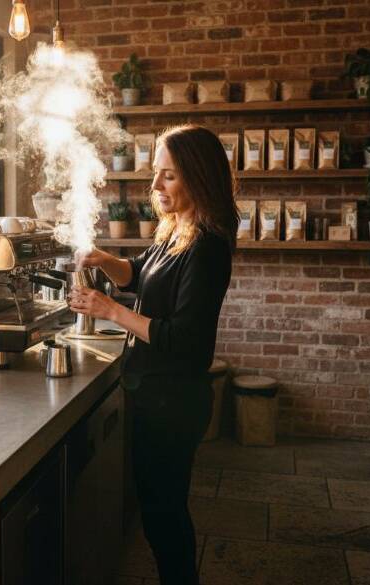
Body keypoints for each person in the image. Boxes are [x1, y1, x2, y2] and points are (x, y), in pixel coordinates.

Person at [69, 125, 237, 584]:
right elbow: (140, 275)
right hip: (154, 395)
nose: (155, 187)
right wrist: (104, 258)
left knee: (165, 518)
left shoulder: (206, 246)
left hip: (173, 403)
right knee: (160, 512)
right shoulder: (177, 229)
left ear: (198, 178)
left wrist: (108, 310)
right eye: (155, 175)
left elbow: (186, 341)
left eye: (169, 176)